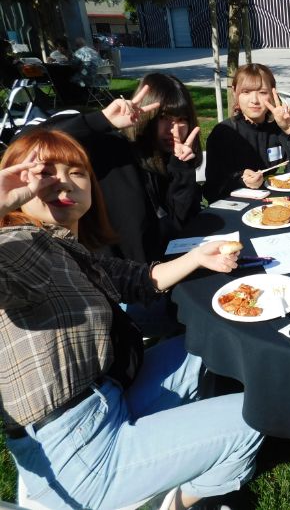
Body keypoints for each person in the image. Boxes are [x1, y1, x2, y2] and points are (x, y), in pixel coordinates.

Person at [0, 129, 263, 510]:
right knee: (251, 422)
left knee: (205, 348)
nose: (63, 181)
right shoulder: (20, 248)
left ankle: (186, 451)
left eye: (76, 172)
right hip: (74, 453)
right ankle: (175, 502)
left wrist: (198, 257)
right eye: (44, 173)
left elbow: (136, 279)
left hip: (109, 396)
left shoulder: (68, 249)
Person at [17, 73, 203, 263]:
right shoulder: (108, 148)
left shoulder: (170, 160)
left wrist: (182, 169)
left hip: (162, 270)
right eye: (164, 117)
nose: (175, 129)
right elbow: (28, 144)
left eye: (182, 119)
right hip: (114, 278)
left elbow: (183, 222)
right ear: (147, 116)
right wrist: (101, 120)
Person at [204, 63, 290, 202]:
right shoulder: (224, 133)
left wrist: (289, 129)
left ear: (273, 94)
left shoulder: (279, 128)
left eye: (262, 92)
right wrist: (241, 181)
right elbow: (212, 190)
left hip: (283, 203)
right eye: (246, 92)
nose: (254, 100)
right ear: (234, 92)